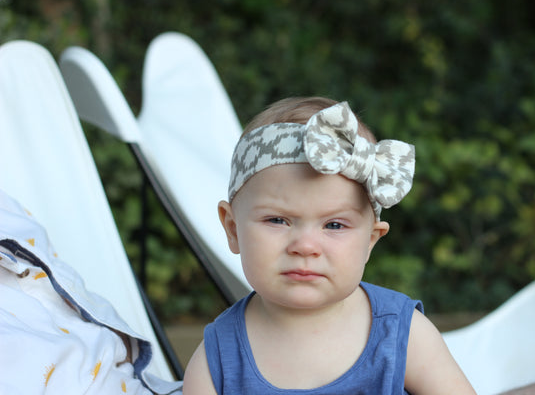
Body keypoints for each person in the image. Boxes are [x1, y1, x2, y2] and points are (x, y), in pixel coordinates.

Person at [183, 97, 477, 394]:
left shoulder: (403, 333)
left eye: (334, 225)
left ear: (370, 241)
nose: (305, 246)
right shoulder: (216, 358)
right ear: (233, 230)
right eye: (277, 220)